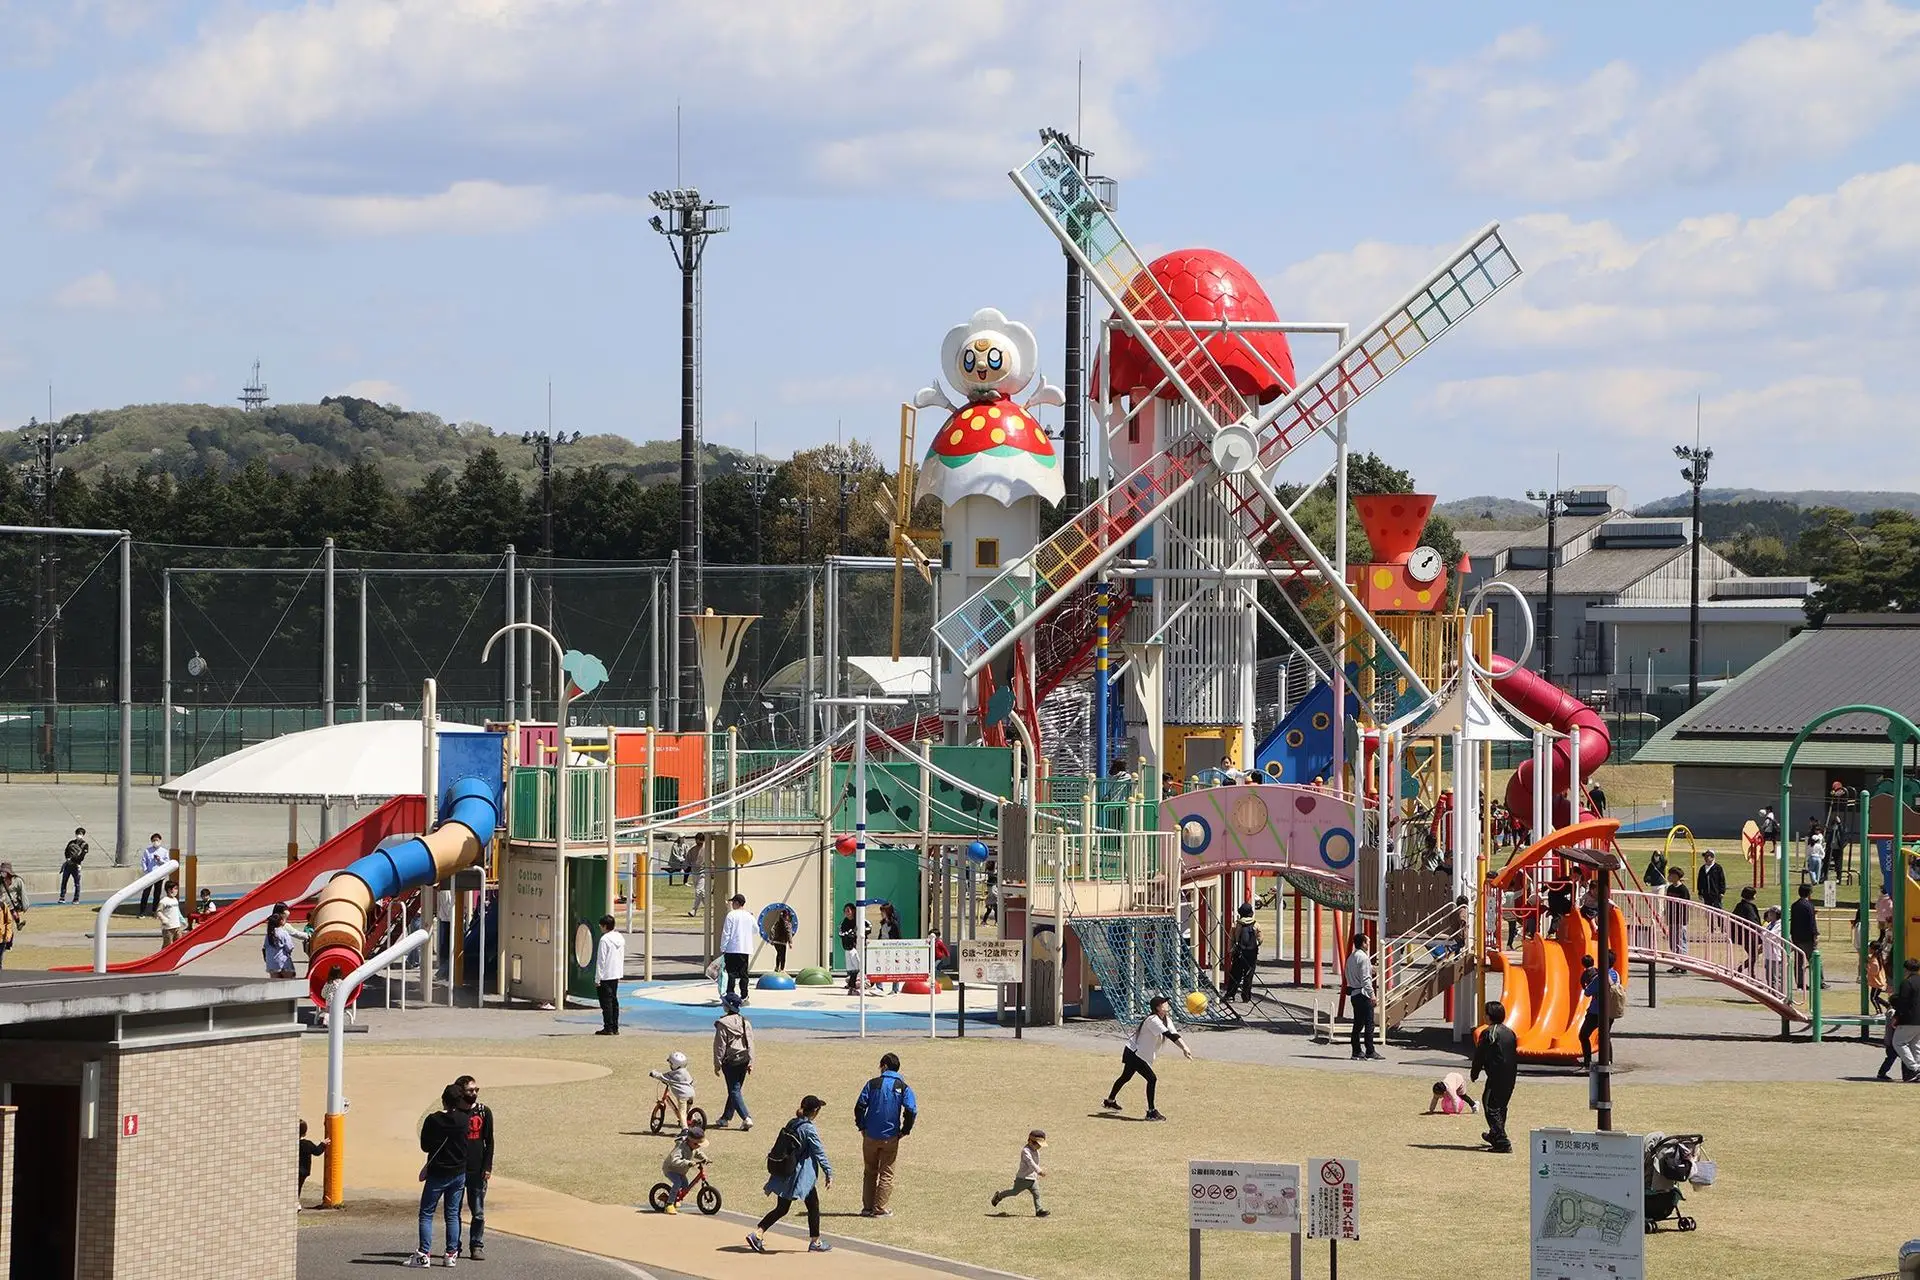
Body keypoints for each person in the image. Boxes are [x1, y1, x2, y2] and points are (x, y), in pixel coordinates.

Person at [747, 1095, 833, 1255]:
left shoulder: (792, 1123)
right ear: (815, 1111)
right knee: (813, 1205)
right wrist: (828, 1171)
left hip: (786, 1172)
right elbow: (819, 1152)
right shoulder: (809, 1128)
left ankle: (757, 1233)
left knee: (782, 1208)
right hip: (800, 1177)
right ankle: (815, 1241)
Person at [1101, 994, 1192, 1120]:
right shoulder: (1153, 1020)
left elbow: (1174, 1033)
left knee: (1125, 1077)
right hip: (1134, 1053)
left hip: (1136, 1052)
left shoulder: (1166, 1019)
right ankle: (1151, 1112)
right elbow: (1169, 1035)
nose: (1167, 1004)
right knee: (1152, 1079)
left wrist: (1185, 1048)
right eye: (1164, 1003)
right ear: (1158, 1007)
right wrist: (1183, 1048)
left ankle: (1109, 1101)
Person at [407, 1083, 469, 1267]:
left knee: (426, 1213)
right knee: (451, 1214)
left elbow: (425, 1146)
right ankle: (451, 1254)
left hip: (438, 1173)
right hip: (458, 1172)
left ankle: (424, 1254)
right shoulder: (464, 1120)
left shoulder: (433, 1120)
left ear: (443, 1099)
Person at [853, 1051, 918, 1218]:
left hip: (870, 1135)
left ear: (884, 1066)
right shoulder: (903, 1087)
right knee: (887, 1173)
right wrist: (905, 1130)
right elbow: (911, 1110)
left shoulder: (872, 1084)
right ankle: (880, 1207)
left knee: (869, 1171)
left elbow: (860, 1106)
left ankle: (867, 1208)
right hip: (891, 1137)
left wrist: (861, 1127)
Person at [451, 1075, 494, 1259]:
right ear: (461, 1091)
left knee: (478, 1212)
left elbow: (489, 1142)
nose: (474, 1093)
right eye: (470, 1090)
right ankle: (454, 1246)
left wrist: (487, 1167)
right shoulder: (453, 1113)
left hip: (478, 1170)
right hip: (458, 1169)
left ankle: (476, 1245)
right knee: (454, 1211)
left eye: (476, 1090)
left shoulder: (484, 1112)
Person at [1470, 1002, 1518, 1154]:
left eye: (1485, 1013)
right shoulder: (1510, 1032)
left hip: (1497, 1076)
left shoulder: (1489, 1032)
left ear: (1489, 1016)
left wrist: (1475, 1071)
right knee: (1501, 1106)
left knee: (1491, 1106)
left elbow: (1480, 1054)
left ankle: (1502, 1141)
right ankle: (1495, 1134)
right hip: (1510, 1076)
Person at [713, 991, 755, 1131]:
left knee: (734, 1090)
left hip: (730, 1061)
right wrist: (751, 1061)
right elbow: (750, 1042)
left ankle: (746, 1117)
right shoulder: (745, 1022)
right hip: (743, 1059)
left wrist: (717, 1063)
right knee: (735, 1089)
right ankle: (726, 1117)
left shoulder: (722, 1024)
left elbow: (720, 1045)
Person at [989, 1129, 1049, 1217]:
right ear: (1030, 1141)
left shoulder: (1036, 1151)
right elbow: (1030, 1162)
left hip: (1032, 1179)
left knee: (1037, 1194)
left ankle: (1039, 1210)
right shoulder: (1026, 1151)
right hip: (1023, 1178)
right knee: (1014, 1192)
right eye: (1038, 1144)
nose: (1039, 1147)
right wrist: (1039, 1171)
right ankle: (999, 1196)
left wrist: (1036, 1174)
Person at [1577, 954, 1620, 1070]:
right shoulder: (1616, 975)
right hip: (1610, 1011)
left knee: (1584, 1035)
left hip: (1595, 1012)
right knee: (1605, 1035)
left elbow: (1588, 992)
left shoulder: (1599, 978)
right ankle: (1608, 1060)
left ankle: (1587, 1062)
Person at [660, 1125, 712, 1213]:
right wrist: (687, 1163)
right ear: (692, 1142)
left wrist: (705, 1158)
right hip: (671, 1169)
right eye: (697, 1144)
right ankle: (669, 1204)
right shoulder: (680, 1148)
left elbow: (697, 1153)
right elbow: (674, 1160)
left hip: (681, 1171)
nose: (698, 1147)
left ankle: (674, 1198)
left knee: (685, 1185)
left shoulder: (693, 1147)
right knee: (677, 1183)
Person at [1345, 933, 1380, 1061]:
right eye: (1368, 942)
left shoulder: (1351, 957)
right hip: (1363, 994)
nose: (1369, 944)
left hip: (1354, 993)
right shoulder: (1364, 958)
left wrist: (1372, 968)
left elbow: (1349, 974)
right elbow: (1366, 980)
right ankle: (1370, 1050)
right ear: (1363, 943)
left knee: (1357, 1024)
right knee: (1369, 1023)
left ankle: (1356, 1051)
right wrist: (1372, 995)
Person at [720, 893, 756, 1004]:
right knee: (743, 974)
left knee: (731, 973)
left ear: (736, 903)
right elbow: (756, 930)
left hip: (732, 948)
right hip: (745, 949)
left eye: (732, 902)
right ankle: (744, 996)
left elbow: (726, 932)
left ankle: (730, 995)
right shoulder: (749, 916)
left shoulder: (731, 915)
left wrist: (723, 947)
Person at [1890, 958, 1920, 1082]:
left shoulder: (1907, 983)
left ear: (1906, 969)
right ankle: (1916, 1071)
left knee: (1898, 1042)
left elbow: (1903, 1002)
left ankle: (1915, 1068)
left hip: (1909, 1019)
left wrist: (1896, 1016)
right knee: (1916, 1045)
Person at [650, 1051, 697, 1131]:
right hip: (691, 1093)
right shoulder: (685, 1072)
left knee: (681, 1112)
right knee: (687, 1109)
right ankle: (693, 1119)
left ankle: (684, 1130)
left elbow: (661, 1077)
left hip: (682, 1096)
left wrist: (653, 1073)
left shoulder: (673, 1075)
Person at [594, 913, 625, 1035]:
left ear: (605, 926)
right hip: (616, 972)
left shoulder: (604, 940)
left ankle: (608, 1026)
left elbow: (601, 960)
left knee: (605, 1002)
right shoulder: (620, 938)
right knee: (614, 1001)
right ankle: (615, 1026)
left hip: (606, 974)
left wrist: (597, 978)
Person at [1225, 903, 1260, 1003]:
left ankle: (1230, 995)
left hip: (1239, 953)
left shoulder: (1236, 925)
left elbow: (1231, 940)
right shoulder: (1256, 924)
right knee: (1248, 975)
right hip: (1251, 954)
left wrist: (1230, 951)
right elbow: (1260, 939)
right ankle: (1246, 996)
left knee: (1235, 974)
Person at [1790, 883, 1821, 992]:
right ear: (1809, 893)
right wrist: (1815, 935)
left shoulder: (1794, 905)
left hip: (1797, 937)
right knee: (1814, 960)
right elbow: (1812, 922)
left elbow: (1792, 922)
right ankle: (1819, 981)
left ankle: (1800, 982)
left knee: (1799, 962)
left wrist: (1792, 935)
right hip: (1808, 937)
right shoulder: (1809, 905)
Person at [1662, 867, 1691, 970]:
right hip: (1672, 919)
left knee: (1680, 941)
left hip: (1680, 920)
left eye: (1671, 875)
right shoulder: (1670, 888)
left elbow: (1686, 905)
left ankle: (1683, 964)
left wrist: (1682, 917)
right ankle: (1676, 963)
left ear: (1676, 876)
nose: (1669, 877)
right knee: (1673, 942)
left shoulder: (1683, 890)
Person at [0, 862, 25, 970]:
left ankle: (9, 942)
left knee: (12, 917)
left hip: (9, 905)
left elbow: (8, 924)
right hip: (4, 903)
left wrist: (23, 904)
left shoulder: (15, 881)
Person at [1732, 885, 1763, 975]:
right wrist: (1761, 930)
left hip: (1742, 934)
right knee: (1753, 955)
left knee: (1753, 954)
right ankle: (1741, 969)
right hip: (1749, 935)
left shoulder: (1739, 905)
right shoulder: (1749, 907)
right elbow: (1753, 920)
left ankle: (1750, 972)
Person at [297, 1119, 328, 1208]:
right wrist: (323, 1144)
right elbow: (317, 1152)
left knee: (294, 1187)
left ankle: (295, 1203)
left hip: (294, 1170)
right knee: (298, 1186)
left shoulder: (292, 1144)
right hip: (304, 1170)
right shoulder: (307, 1144)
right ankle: (296, 1202)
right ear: (305, 1132)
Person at [263, 902, 297, 979]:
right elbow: (289, 947)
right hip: (283, 962)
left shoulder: (268, 934)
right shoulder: (283, 932)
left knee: (275, 984)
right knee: (289, 981)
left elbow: (265, 947)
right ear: (281, 921)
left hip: (271, 963)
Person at [876, 903, 904, 995]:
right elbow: (881, 935)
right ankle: (879, 987)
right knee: (879, 967)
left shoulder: (894, 924)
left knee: (894, 968)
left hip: (892, 948)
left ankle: (895, 989)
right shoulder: (883, 923)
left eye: (883, 911)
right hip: (882, 948)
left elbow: (898, 937)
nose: (881, 913)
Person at [137, 832, 167, 915]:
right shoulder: (147, 851)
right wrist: (146, 871)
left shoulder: (164, 851)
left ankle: (154, 911)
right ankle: (142, 911)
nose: (155, 842)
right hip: (149, 875)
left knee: (157, 894)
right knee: (146, 893)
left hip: (160, 876)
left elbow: (167, 863)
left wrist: (160, 860)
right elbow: (144, 861)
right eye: (153, 840)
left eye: (157, 840)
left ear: (160, 841)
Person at [58, 827, 87, 903]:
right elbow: (66, 851)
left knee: (77, 883)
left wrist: (73, 860)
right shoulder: (71, 842)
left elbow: (82, 856)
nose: (78, 835)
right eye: (77, 833)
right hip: (68, 865)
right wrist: (67, 859)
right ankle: (62, 897)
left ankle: (76, 899)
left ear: (83, 835)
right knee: (64, 881)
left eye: (80, 834)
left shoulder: (85, 845)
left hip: (76, 865)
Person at [766, 904, 796, 974]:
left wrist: (771, 939)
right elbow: (789, 933)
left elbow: (772, 930)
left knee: (779, 954)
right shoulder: (788, 924)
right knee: (783, 955)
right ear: (787, 916)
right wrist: (790, 942)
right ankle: (782, 969)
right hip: (782, 942)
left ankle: (777, 967)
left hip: (776, 942)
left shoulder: (777, 922)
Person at [156, 880, 186, 947]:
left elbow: (177, 911)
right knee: (168, 945)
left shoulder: (175, 900)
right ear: (169, 890)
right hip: (168, 928)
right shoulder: (164, 901)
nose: (177, 891)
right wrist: (163, 919)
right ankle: (163, 957)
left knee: (178, 944)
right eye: (175, 889)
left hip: (177, 926)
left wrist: (182, 920)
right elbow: (158, 911)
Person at [1696, 849, 1727, 915]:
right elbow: (1700, 881)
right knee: (1708, 912)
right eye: (1705, 856)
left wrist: (1722, 892)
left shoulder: (1718, 868)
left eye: (1708, 856)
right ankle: (1710, 924)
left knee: (1718, 911)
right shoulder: (1702, 868)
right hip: (1706, 894)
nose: (1706, 858)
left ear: (1713, 857)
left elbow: (1722, 880)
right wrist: (1700, 892)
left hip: (1716, 894)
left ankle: (1720, 924)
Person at [1805, 819, 1826, 884]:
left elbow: (1807, 853)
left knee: (1811, 870)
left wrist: (1807, 859)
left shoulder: (1810, 846)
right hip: (1818, 858)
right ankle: (1817, 880)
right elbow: (1822, 852)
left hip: (1812, 857)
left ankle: (1814, 880)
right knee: (1818, 870)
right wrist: (1821, 857)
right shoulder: (1819, 845)